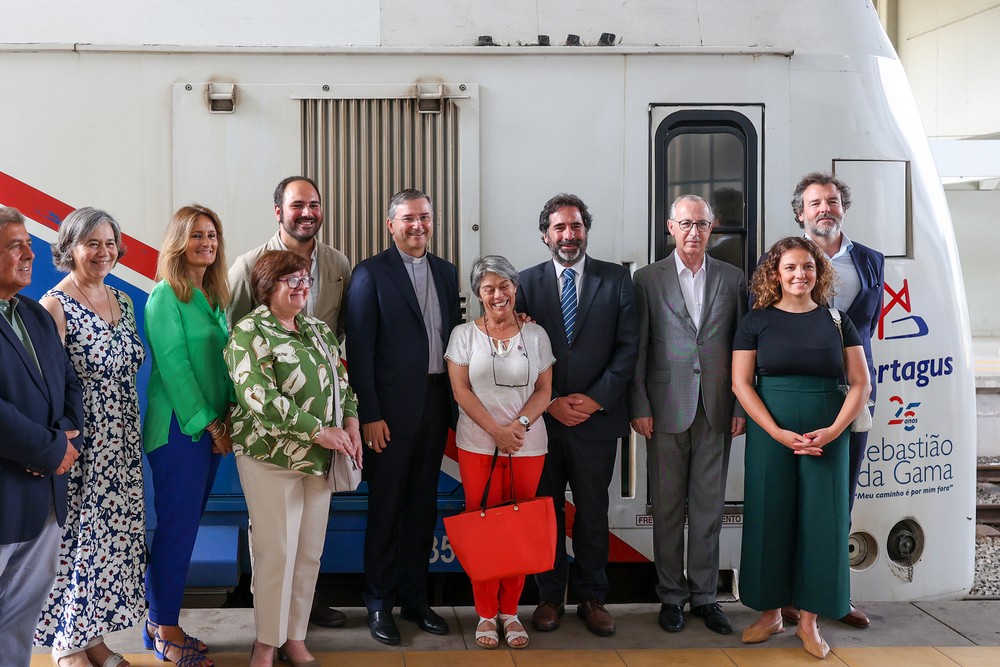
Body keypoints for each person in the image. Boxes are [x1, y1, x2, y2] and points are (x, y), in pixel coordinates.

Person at [732, 236, 870, 659]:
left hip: (826, 433)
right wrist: (775, 431)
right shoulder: (755, 321)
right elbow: (740, 382)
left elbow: (861, 383)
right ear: (775, 273)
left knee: (823, 524)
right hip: (771, 432)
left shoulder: (836, 320)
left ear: (818, 272)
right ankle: (770, 613)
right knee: (768, 516)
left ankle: (808, 622)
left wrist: (831, 432)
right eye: (790, 267)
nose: (799, 275)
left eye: (807, 267)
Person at [227, 175, 353, 628]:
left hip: (323, 441)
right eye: (297, 204)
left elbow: (340, 350)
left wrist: (348, 417)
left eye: (314, 204)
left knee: (307, 547)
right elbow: (237, 346)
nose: (307, 212)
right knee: (275, 545)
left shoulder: (337, 264)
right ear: (278, 210)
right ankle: (269, 634)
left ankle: (295, 626)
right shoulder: (247, 266)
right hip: (271, 440)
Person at [515, 193, 638, 637]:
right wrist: (549, 402)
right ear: (545, 234)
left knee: (591, 512)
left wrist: (595, 399)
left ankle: (592, 597)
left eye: (576, 226)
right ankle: (549, 598)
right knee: (544, 511)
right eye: (559, 228)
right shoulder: (524, 282)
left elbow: (628, 348)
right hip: (542, 422)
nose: (569, 235)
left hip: (596, 420)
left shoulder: (618, 280)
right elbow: (518, 354)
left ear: (587, 229)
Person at [344, 188, 461, 646]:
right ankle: (378, 602)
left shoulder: (446, 272)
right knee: (387, 507)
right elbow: (360, 350)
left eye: (425, 217)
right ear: (391, 225)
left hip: (436, 405)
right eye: (409, 218)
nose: (418, 226)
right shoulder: (370, 274)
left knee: (421, 507)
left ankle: (416, 599)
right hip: (388, 414)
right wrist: (369, 414)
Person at [628, 195, 747, 636]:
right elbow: (638, 348)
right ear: (670, 228)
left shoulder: (733, 279)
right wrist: (638, 405)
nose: (694, 232)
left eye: (701, 224)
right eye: (685, 224)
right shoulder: (647, 280)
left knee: (708, 508)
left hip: (717, 409)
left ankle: (705, 597)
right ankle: (671, 597)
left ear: (711, 229)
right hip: (663, 410)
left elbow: (741, 348)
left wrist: (739, 405)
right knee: (667, 509)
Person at [34, 208, 146, 667]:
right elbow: (47, 387)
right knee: (78, 543)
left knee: (110, 544)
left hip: (124, 441)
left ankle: (92, 638)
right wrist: (63, 445)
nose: (103, 252)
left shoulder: (122, 298)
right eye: (91, 243)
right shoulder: (54, 305)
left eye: (109, 243)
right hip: (83, 445)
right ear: (70, 248)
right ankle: (66, 646)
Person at [787, 172, 884, 629]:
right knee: (795, 497)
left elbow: (865, 327)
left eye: (832, 201)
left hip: (852, 391)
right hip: (796, 393)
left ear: (842, 207)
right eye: (814, 203)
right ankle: (789, 596)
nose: (824, 208)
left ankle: (835, 597)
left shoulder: (869, 261)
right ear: (800, 213)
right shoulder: (784, 259)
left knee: (840, 499)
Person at [445, 255, 555, 650]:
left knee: (518, 527)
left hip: (527, 446)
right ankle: (486, 614)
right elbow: (460, 390)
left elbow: (545, 390)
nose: (497, 294)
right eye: (488, 288)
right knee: (485, 528)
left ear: (515, 288)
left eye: (504, 285)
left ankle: (511, 612)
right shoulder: (463, 335)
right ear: (478, 293)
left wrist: (518, 428)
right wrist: (495, 431)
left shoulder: (536, 335)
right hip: (477, 445)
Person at [143, 204, 234, 667]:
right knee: (177, 531)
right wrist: (212, 425)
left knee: (186, 527)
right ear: (179, 242)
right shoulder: (164, 296)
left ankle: (159, 623)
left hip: (210, 430)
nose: (207, 243)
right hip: (183, 429)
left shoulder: (214, 296)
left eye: (212, 235)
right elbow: (176, 370)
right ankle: (164, 628)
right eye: (197, 235)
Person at [0, 207, 84, 666]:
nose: (30, 254)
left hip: (45, 497)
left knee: (20, 617)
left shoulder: (32, 313)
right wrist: (48, 449)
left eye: (28, 243)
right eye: (16, 245)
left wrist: (65, 440)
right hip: (7, 492)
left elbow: (69, 381)